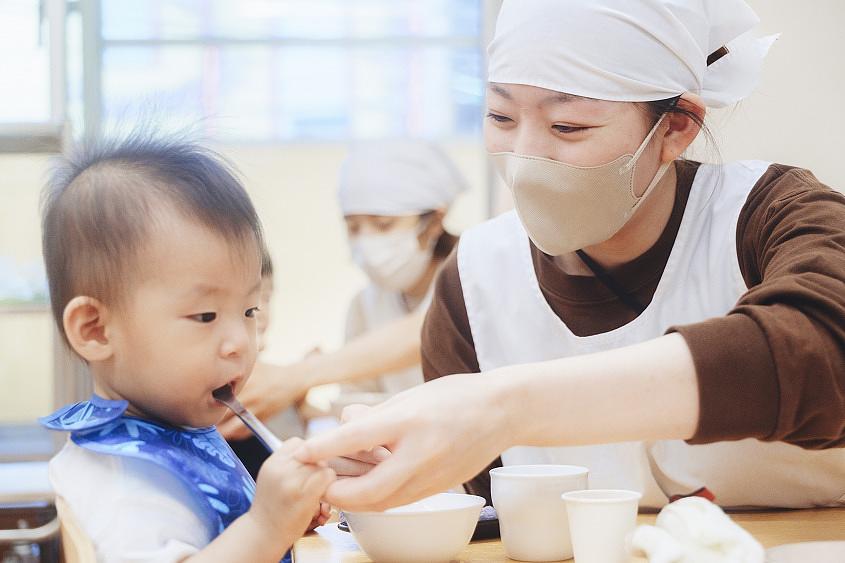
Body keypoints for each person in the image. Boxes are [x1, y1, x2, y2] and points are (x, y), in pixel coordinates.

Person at [295, 0, 845, 513]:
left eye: (568, 126)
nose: (527, 159)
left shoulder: (768, 217)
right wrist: (392, 465)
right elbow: (485, 514)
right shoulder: (476, 281)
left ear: (676, 127)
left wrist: (506, 409)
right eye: (502, 118)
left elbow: (823, 344)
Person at [38, 132, 335, 561]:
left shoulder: (176, 433)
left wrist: (286, 518)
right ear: (96, 330)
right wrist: (266, 527)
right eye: (205, 316)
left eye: (249, 311)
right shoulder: (125, 482)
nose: (239, 343)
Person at [218, 139, 467, 438]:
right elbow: (356, 404)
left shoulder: (472, 270)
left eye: (383, 224)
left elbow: (431, 328)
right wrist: (302, 407)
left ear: (434, 221)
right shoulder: (366, 304)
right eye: (354, 227)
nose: (366, 240)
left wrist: (295, 377)